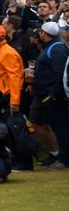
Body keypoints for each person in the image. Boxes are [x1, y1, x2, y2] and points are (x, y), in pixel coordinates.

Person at [32, 21, 69, 169]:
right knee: (51, 124)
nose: (39, 34)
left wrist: (53, 95)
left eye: (41, 31)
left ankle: (65, 159)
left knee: (60, 127)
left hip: (53, 96)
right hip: (44, 94)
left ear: (44, 33)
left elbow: (60, 74)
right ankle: (58, 155)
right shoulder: (49, 47)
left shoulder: (56, 48)